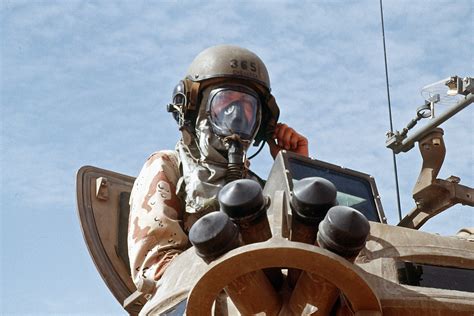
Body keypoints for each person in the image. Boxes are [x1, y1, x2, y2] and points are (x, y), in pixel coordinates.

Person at [127, 45, 309, 296]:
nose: (236, 113)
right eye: (226, 101)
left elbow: (304, 258)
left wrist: (295, 168)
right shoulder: (167, 167)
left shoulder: (262, 189)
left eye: (247, 105)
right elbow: (157, 270)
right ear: (195, 108)